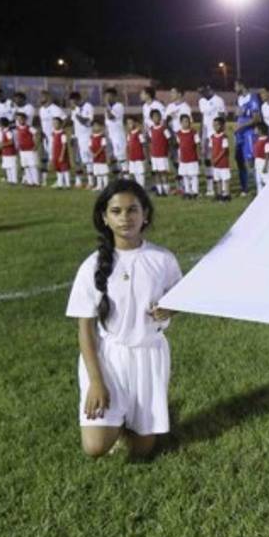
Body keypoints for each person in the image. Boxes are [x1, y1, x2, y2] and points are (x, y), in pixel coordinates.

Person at [65, 180, 182, 459]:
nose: (125, 218)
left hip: (149, 356)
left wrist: (169, 310)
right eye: (116, 211)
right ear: (105, 218)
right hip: (110, 359)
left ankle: (130, 421)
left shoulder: (162, 259)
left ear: (145, 215)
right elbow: (85, 329)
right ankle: (116, 421)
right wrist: (96, 381)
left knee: (142, 450)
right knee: (95, 447)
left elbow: (178, 299)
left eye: (132, 210)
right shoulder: (92, 266)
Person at [234, 81, 262, 197]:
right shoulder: (239, 99)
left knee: (251, 161)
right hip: (239, 134)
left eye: (236, 86)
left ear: (242, 85)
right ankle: (244, 188)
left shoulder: (253, 98)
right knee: (239, 160)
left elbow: (256, 118)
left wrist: (241, 126)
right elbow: (238, 115)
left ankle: (259, 186)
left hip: (249, 133)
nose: (235, 88)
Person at [198, 85, 226, 197]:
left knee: (218, 159)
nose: (201, 94)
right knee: (207, 160)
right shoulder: (201, 101)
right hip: (205, 135)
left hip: (215, 135)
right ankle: (210, 188)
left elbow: (222, 118)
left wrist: (220, 134)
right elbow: (202, 118)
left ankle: (222, 186)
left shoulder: (219, 100)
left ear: (209, 89)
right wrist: (201, 133)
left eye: (203, 91)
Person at [165, 87, 192, 194]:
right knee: (175, 161)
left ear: (180, 94)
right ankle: (179, 186)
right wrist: (169, 136)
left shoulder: (185, 107)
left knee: (184, 162)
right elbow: (166, 122)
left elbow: (188, 124)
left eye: (173, 92)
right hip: (172, 137)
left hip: (182, 138)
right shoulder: (170, 107)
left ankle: (188, 185)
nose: (171, 94)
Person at [38, 91, 65, 187]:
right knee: (45, 159)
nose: (40, 98)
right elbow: (42, 123)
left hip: (54, 138)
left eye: (42, 96)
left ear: (48, 97)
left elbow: (65, 119)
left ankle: (61, 180)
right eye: (40, 96)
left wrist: (58, 133)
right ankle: (44, 180)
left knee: (56, 159)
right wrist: (42, 133)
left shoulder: (55, 109)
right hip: (45, 138)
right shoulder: (41, 109)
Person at [68, 92, 95, 189]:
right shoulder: (75, 109)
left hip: (86, 137)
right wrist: (72, 136)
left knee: (88, 160)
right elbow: (73, 124)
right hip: (77, 137)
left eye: (72, 101)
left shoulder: (88, 106)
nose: (71, 104)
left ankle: (91, 182)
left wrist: (76, 114)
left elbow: (87, 122)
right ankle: (78, 181)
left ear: (77, 99)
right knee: (77, 160)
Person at [148, 109, 173, 197]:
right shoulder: (151, 129)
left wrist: (169, 151)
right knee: (156, 173)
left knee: (163, 173)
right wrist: (150, 153)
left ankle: (166, 191)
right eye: (154, 117)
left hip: (162, 154)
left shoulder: (164, 129)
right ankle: (159, 190)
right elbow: (150, 141)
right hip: (154, 155)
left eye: (157, 116)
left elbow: (169, 140)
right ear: (151, 119)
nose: (156, 118)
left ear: (160, 118)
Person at [176, 114, 200, 199]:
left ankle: (195, 191)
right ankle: (187, 191)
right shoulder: (178, 133)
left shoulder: (193, 132)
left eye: (187, 121)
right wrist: (178, 157)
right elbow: (179, 146)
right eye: (184, 122)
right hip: (183, 158)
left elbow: (197, 144)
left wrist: (198, 155)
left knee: (194, 175)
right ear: (181, 123)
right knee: (185, 175)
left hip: (192, 158)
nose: (186, 123)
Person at [14, 112, 40, 186]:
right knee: (26, 166)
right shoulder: (17, 128)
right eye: (18, 119)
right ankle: (29, 181)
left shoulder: (29, 128)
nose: (19, 121)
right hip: (22, 150)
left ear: (25, 119)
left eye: (21, 119)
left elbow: (37, 134)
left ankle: (36, 182)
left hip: (30, 150)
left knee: (32, 166)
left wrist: (36, 145)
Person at [209, 117, 232, 201]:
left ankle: (227, 194)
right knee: (217, 179)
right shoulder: (212, 137)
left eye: (217, 125)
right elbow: (211, 149)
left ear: (222, 126)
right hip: (216, 163)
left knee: (225, 178)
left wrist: (217, 159)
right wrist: (212, 158)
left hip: (223, 162)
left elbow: (224, 150)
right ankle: (219, 194)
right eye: (214, 125)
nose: (215, 127)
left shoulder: (224, 137)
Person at [252, 121, 269, 193]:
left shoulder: (266, 141)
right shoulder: (258, 139)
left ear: (260, 130)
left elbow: (268, 154)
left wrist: (265, 166)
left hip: (264, 162)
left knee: (267, 180)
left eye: (256, 129)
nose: (254, 130)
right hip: (257, 162)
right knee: (259, 181)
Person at [125, 117, 148, 187]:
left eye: (131, 123)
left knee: (140, 173)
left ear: (135, 123)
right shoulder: (129, 134)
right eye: (128, 123)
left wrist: (145, 155)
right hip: (132, 157)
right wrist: (128, 157)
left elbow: (144, 145)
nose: (130, 125)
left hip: (139, 156)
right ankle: (137, 187)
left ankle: (142, 187)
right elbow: (128, 146)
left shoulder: (139, 133)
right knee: (134, 173)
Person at [50, 116, 71, 189]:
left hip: (61, 154)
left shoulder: (62, 134)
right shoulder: (53, 133)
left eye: (56, 123)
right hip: (55, 153)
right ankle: (60, 184)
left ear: (60, 124)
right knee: (58, 169)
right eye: (53, 123)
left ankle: (67, 184)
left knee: (64, 169)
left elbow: (64, 145)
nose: (54, 125)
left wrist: (62, 155)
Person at [90, 120, 110, 190]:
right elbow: (90, 146)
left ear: (100, 127)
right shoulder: (91, 136)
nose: (95, 127)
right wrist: (93, 153)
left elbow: (103, 146)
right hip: (95, 157)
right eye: (93, 126)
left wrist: (97, 153)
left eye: (97, 126)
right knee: (97, 172)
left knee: (103, 172)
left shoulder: (102, 136)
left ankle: (106, 185)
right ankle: (99, 185)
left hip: (101, 157)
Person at [0, 118, 18, 185]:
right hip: (5, 152)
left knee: (12, 166)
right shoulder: (4, 131)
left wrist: (2, 145)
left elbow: (11, 142)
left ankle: (14, 180)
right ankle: (10, 180)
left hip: (10, 152)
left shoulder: (8, 132)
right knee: (7, 166)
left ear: (2, 124)